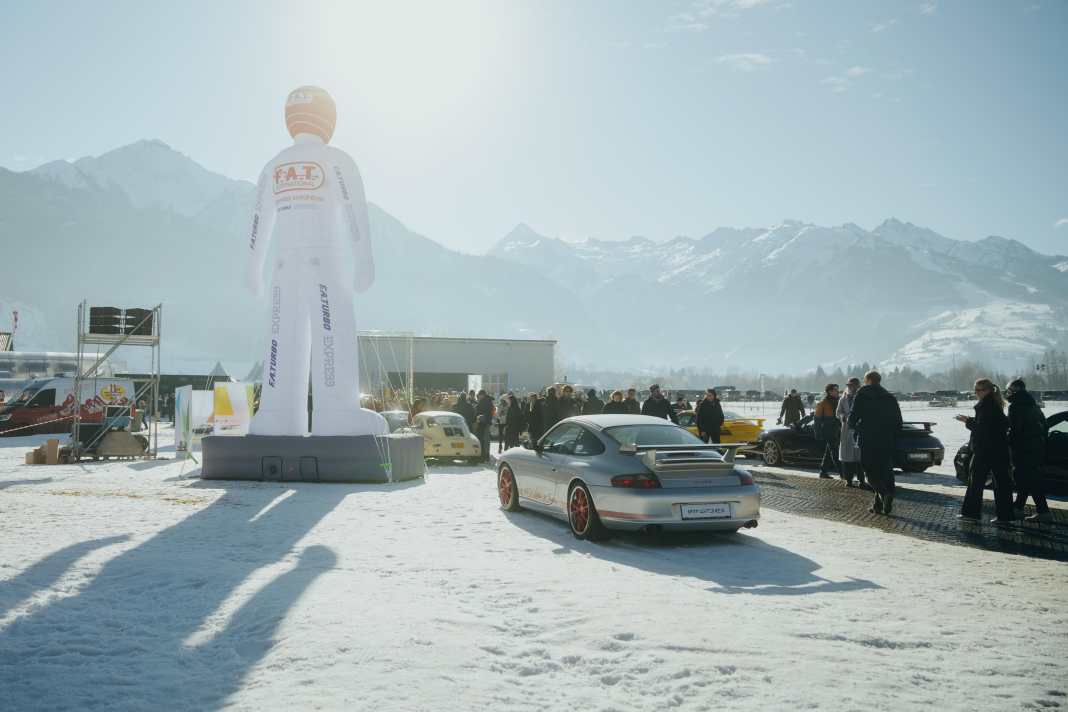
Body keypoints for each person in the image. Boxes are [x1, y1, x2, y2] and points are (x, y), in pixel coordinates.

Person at [244, 85, 386, 437]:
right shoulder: (338, 160)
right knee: (332, 331)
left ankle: (278, 413)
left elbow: (259, 221)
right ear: (329, 119)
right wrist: (364, 260)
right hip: (326, 260)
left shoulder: (273, 165)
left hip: (283, 265)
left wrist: (252, 267)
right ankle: (335, 411)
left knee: (282, 334)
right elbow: (355, 214)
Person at [957, 378, 1015, 524]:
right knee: (1002, 484)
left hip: (985, 450)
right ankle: (1005, 516)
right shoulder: (994, 404)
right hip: (998, 449)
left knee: (975, 483)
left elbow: (982, 429)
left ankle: (971, 513)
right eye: (975, 390)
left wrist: (968, 422)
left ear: (988, 390)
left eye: (979, 390)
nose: (976, 393)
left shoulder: (985, 406)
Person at [848, 371, 902, 515]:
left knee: (870, 471)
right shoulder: (889, 396)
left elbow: (852, 419)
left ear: (868, 380)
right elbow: (898, 422)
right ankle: (879, 503)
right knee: (886, 470)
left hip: (868, 439)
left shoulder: (862, 394)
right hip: (886, 440)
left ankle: (883, 493)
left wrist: (856, 425)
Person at [1005, 379, 1050, 522]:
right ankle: (1018, 507)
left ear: (1015, 390)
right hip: (1036, 448)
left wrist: (1007, 441)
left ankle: (1043, 511)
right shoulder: (1033, 404)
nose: (1007, 393)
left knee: (1028, 479)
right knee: (1026, 479)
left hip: (1023, 449)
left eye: (1009, 390)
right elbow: (1045, 425)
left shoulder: (1016, 406)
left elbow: (1015, 430)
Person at [836, 377, 866, 487]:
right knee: (847, 458)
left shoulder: (862, 397)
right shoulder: (843, 398)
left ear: (858, 386)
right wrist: (842, 416)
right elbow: (838, 412)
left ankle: (862, 480)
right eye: (849, 385)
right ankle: (848, 479)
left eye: (852, 385)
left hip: (858, 429)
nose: (850, 387)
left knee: (859, 459)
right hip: (846, 429)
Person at [813, 384, 841, 479]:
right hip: (829, 431)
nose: (837, 391)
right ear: (830, 391)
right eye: (835, 390)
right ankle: (843, 474)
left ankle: (823, 472)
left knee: (829, 452)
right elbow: (817, 419)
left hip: (837, 430)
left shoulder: (838, 401)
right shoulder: (823, 403)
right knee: (835, 452)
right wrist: (817, 433)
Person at [474, 389, 494, 463]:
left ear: (482, 395)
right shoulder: (489, 401)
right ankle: (486, 456)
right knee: (486, 441)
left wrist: (479, 416)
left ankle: (482, 456)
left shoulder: (484, 401)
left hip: (483, 423)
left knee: (482, 439)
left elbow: (479, 411)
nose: (479, 396)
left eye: (479, 395)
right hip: (487, 423)